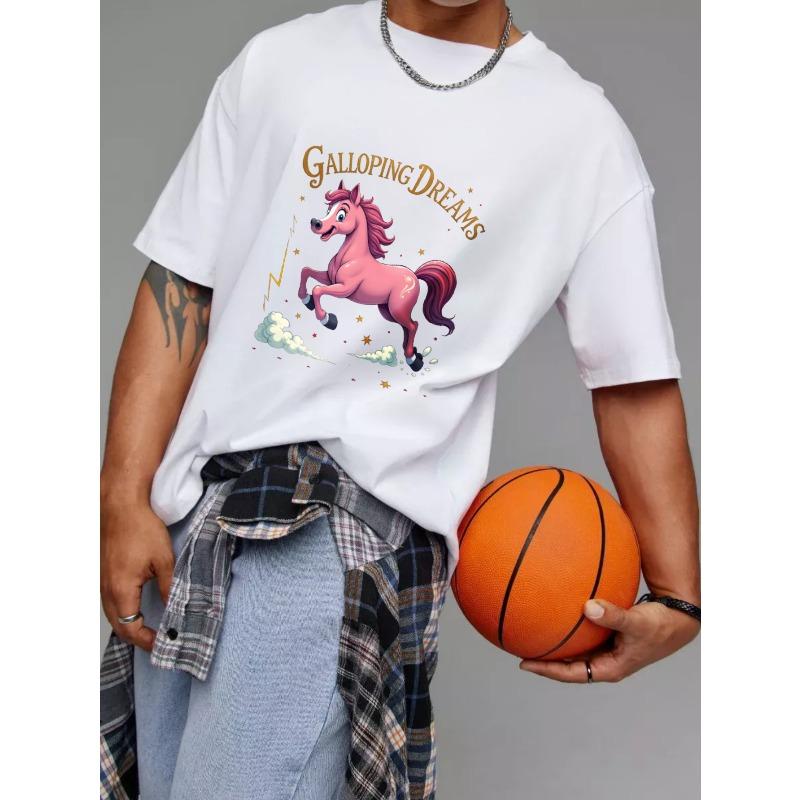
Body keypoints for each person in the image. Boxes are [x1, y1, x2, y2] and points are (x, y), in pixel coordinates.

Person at [100, 1, 700, 798]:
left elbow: (633, 379)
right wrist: (123, 496)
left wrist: (678, 594)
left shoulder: (580, 134)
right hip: (190, 518)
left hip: (334, 543)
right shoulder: (280, 62)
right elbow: (183, 282)